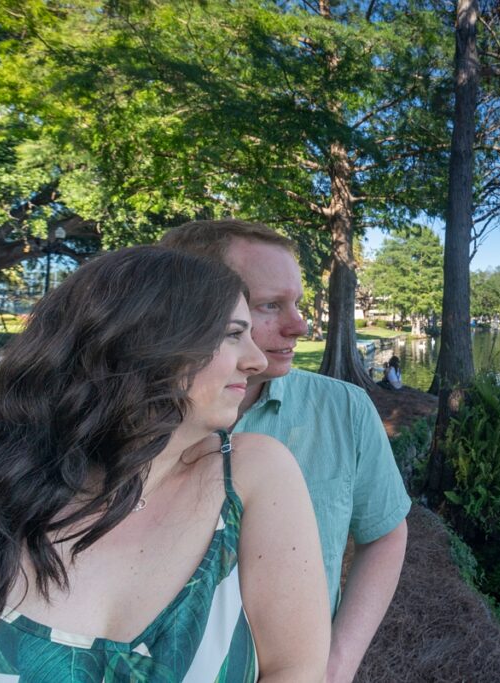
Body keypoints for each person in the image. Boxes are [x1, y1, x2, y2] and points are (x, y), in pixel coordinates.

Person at [0, 247, 330, 682]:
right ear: (146, 341)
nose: (256, 360)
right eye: (233, 334)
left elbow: (296, 670)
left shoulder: (252, 476)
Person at [160, 220, 410, 683]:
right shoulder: (125, 431)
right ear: (186, 307)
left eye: (295, 302)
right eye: (269, 305)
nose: (299, 325)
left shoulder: (344, 410)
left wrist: (335, 666)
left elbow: (386, 535)